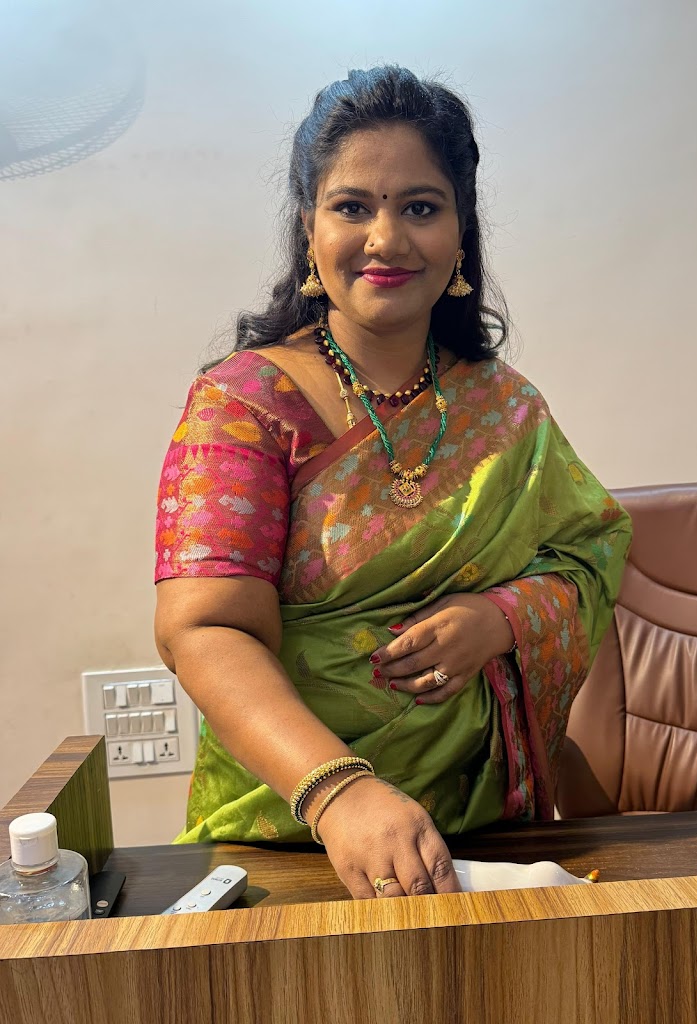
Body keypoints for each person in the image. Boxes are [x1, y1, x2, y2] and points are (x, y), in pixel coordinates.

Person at [154, 66, 632, 900]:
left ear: (459, 232)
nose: (385, 238)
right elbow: (204, 629)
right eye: (351, 207)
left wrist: (502, 618)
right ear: (307, 227)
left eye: (419, 207)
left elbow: (591, 552)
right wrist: (338, 791)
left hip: (489, 830)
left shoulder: (503, 407)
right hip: (295, 834)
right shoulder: (245, 404)